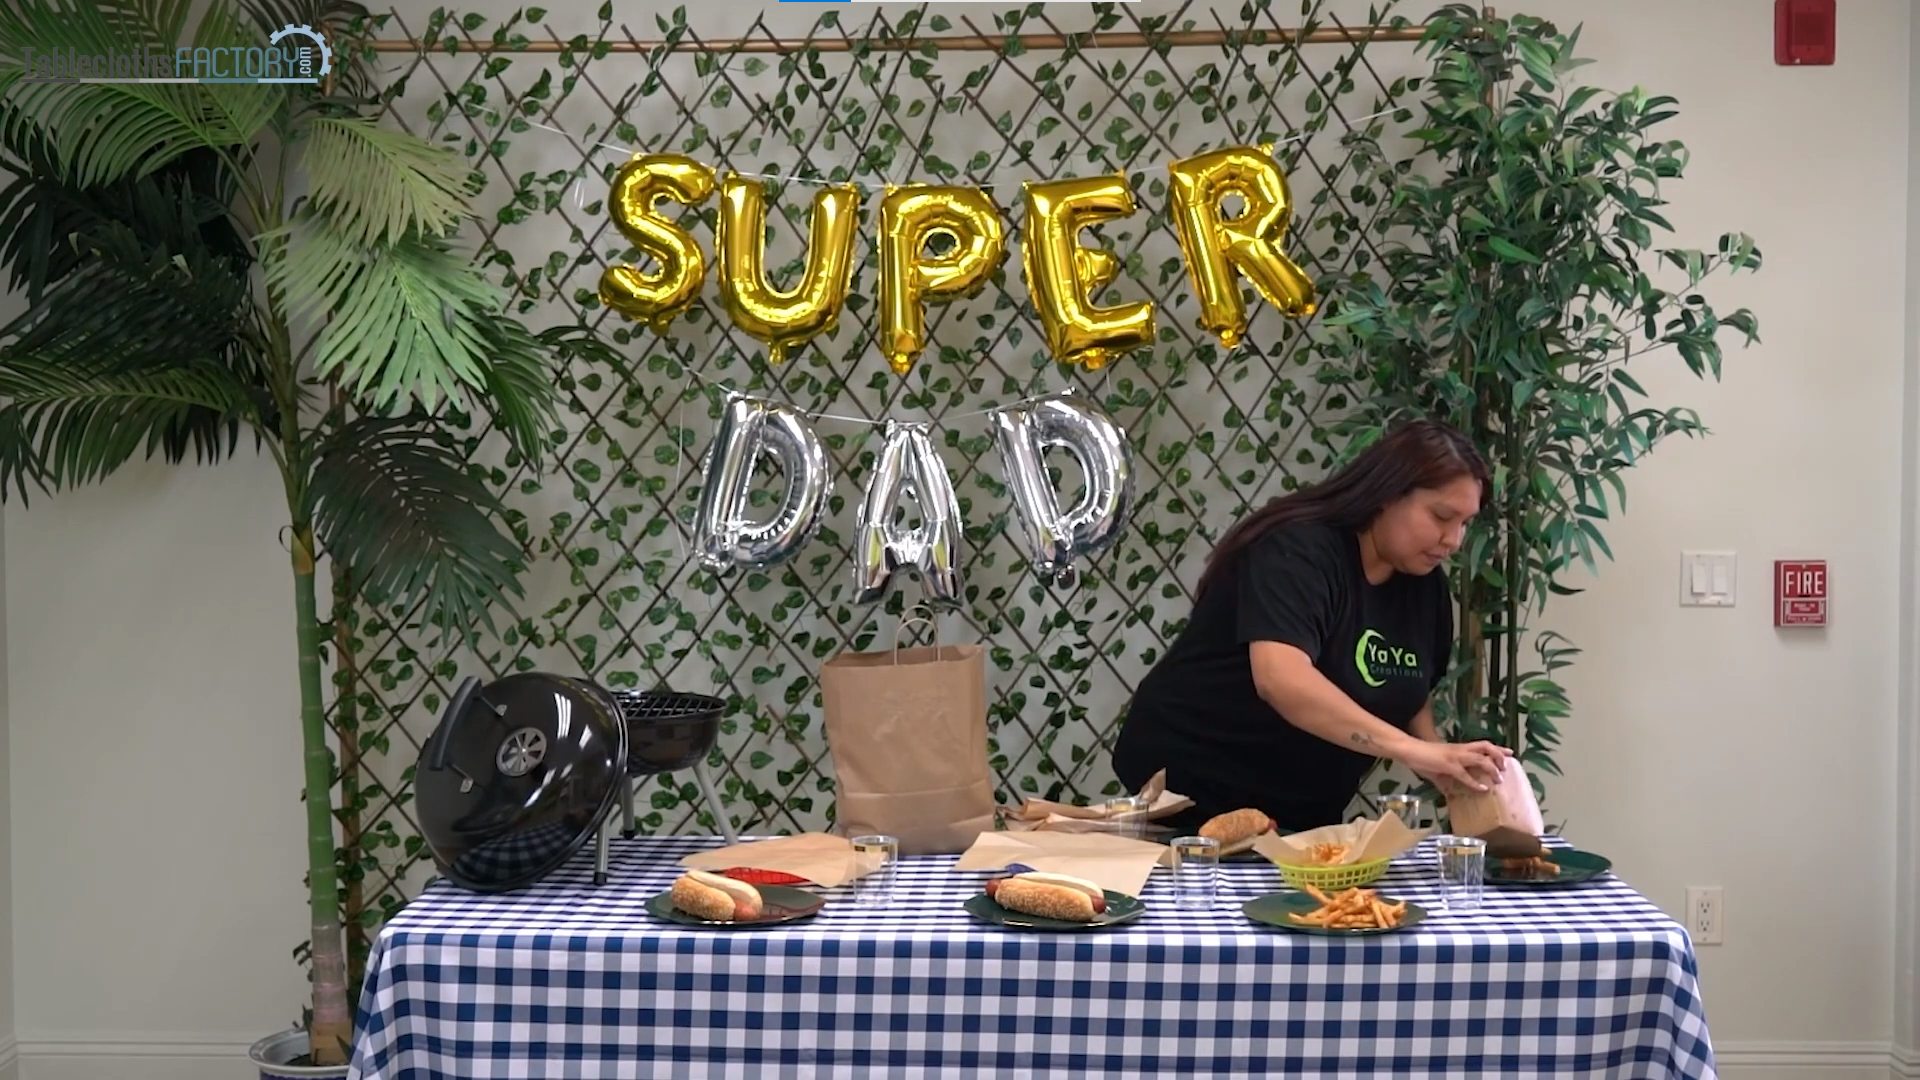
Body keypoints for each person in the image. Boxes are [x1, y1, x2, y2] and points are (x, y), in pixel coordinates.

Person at [1111, 417, 1513, 832]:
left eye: (1465, 523)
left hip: (1302, 809)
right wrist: (1411, 750)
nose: (1454, 540)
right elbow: (1281, 679)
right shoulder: (1299, 551)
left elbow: (1409, 688)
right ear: (1387, 495)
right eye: (1442, 516)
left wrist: (1439, 758)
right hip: (1191, 789)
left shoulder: (1425, 588)